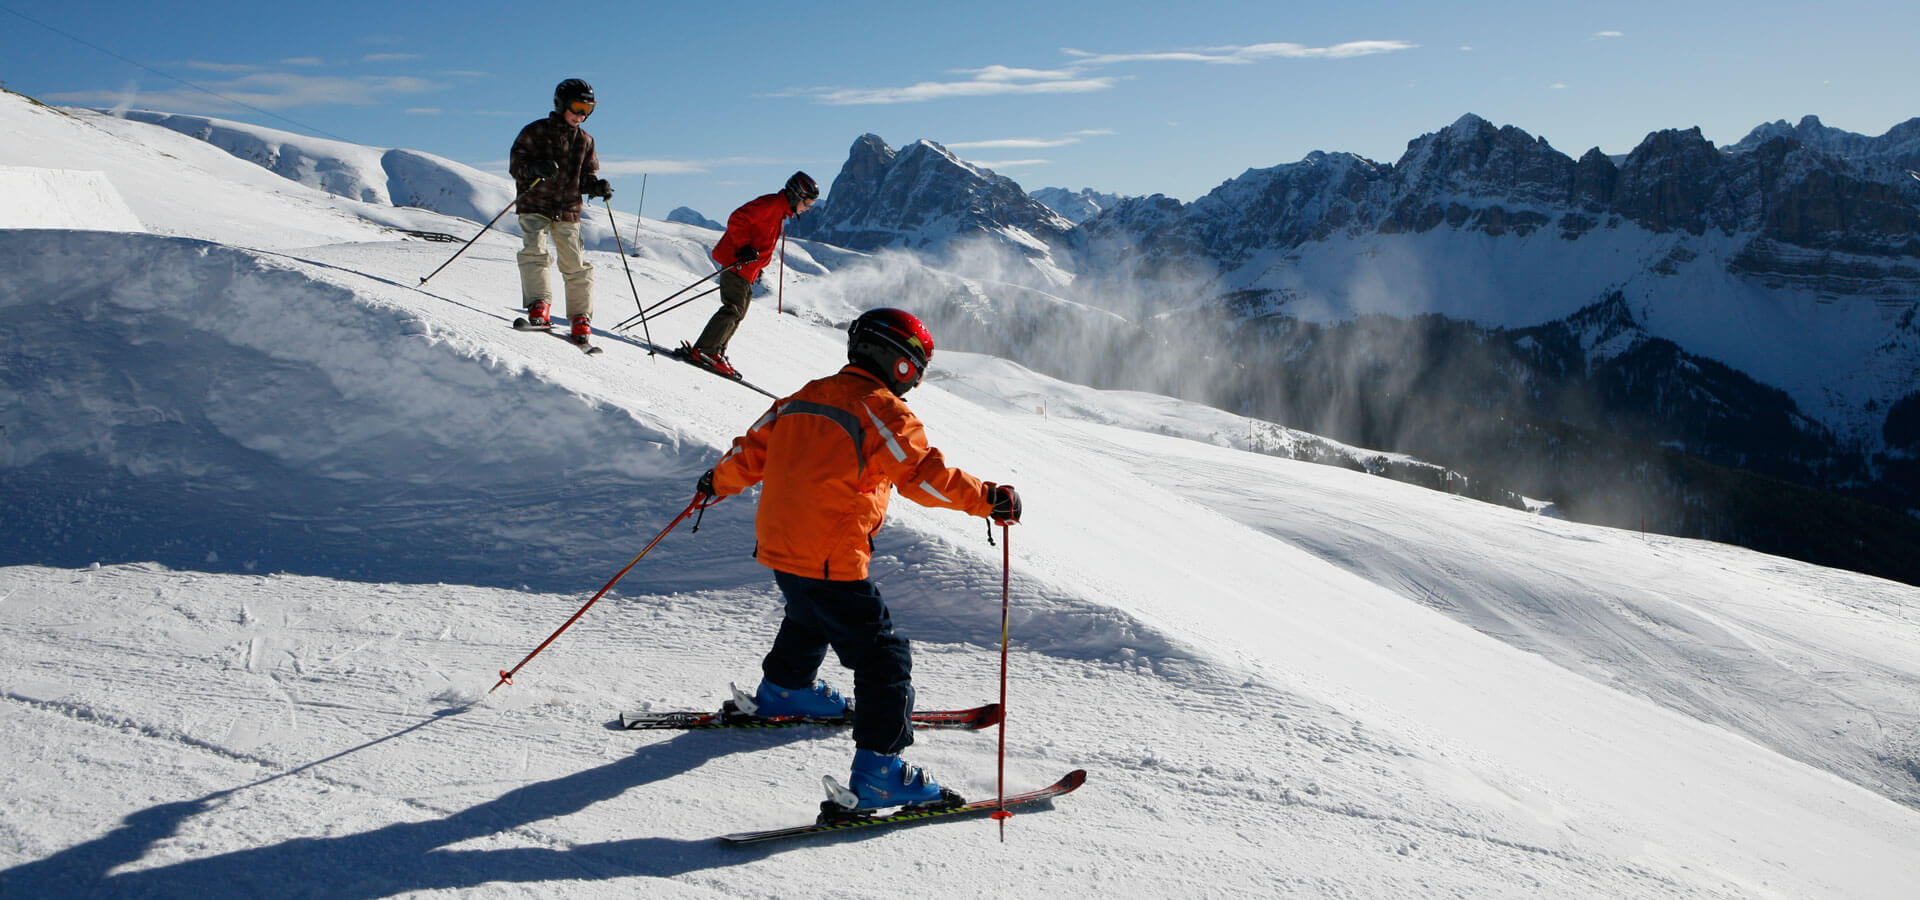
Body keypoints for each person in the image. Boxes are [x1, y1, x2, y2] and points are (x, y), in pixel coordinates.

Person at [694, 308, 1022, 811]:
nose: (913, 380)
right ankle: (879, 773)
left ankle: (786, 690)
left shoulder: (800, 397)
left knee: (808, 614)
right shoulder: (883, 411)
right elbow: (922, 476)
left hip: (782, 545)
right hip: (830, 553)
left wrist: (715, 483)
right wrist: (989, 499)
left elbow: (750, 454)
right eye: (916, 368)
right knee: (882, 657)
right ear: (900, 364)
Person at [677, 171, 821, 377]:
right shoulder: (770, 205)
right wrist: (744, 246)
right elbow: (737, 218)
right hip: (737, 263)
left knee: (738, 312)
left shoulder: (779, 211)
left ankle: (716, 351)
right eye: (807, 203)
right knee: (733, 309)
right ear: (797, 195)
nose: (808, 209)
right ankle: (706, 350)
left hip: (747, 269)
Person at [509, 78, 613, 347]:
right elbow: (516, 164)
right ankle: (538, 305)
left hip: (568, 209)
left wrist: (597, 186)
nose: (581, 115)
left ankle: (580, 317)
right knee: (535, 252)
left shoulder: (586, 141)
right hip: (535, 202)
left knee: (575, 264)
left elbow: (586, 176)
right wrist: (534, 169)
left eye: (588, 110)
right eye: (578, 107)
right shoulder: (535, 131)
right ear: (561, 103)